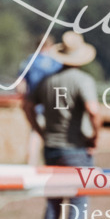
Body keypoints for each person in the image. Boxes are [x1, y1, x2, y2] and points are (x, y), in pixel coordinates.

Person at [23, 32, 101, 219]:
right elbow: (94, 111)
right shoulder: (82, 80)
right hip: (76, 148)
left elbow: (26, 106)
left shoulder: (47, 81)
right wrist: (94, 137)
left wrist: (40, 130)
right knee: (77, 204)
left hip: (52, 148)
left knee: (53, 203)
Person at [17, 36, 63, 166]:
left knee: (35, 135)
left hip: (34, 104)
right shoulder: (56, 62)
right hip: (52, 104)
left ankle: (31, 165)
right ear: (50, 46)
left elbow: (20, 86)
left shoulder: (28, 61)